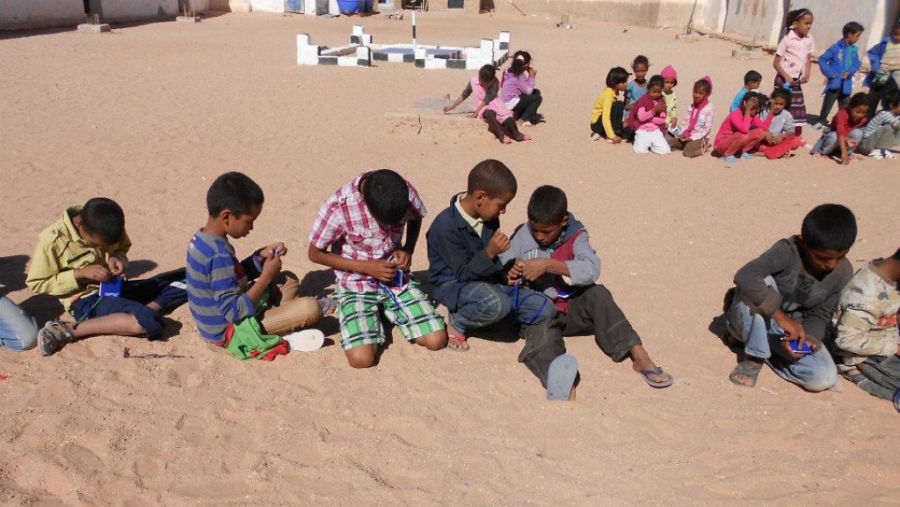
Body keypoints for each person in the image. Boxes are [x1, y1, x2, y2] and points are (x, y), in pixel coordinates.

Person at [499, 185, 674, 399]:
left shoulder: (576, 234)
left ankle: (638, 354)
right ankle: (560, 378)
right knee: (543, 337)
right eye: (535, 230)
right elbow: (503, 263)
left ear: (563, 222)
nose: (540, 236)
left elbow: (591, 269)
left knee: (598, 294)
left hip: (570, 307)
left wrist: (548, 264)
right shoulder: (523, 234)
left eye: (547, 232)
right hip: (539, 311)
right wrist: (511, 269)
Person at [309, 169, 447, 368]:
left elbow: (416, 216)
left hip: (395, 278)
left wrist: (407, 249)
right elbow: (315, 253)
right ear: (364, 202)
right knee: (362, 360)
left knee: (436, 340)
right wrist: (366, 267)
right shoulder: (339, 206)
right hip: (356, 282)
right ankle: (371, 314)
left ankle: (383, 312)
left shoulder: (402, 191)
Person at [187, 172, 324, 361]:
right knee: (311, 308)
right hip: (231, 331)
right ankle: (281, 329)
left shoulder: (203, 238)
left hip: (226, 315)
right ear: (227, 216)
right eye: (249, 222)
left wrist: (259, 257)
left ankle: (283, 318)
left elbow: (229, 277)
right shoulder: (218, 253)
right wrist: (266, 276)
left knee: (288, 279)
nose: (250, 228)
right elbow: (232, 312)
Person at [26, 198, 187, 356]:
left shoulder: (109, 221)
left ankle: (138, 311)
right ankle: (68, 329)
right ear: (79, 225)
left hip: (114, 287)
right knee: (148, 322)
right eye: (97, 245)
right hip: (86, 300)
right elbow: (37, 283)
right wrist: (80, 273)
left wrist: (117, 258)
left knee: (187, 278)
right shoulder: (54, 240)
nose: (102, 248)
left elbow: (122, 247)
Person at [426, 160, 556, 353]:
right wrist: (490, 253)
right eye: (501, 205)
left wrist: (506, 273)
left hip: (486, 283)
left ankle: (496, 317)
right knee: (497, 303)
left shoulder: (489, 218)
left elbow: (489, 265)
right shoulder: (446, 226)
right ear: (481, 197)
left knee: (545, 308)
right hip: (454, 285)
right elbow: (463, 273)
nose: (503, 211)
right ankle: (458, 322)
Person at [725, 203, 856, 392]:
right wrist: (781, 317)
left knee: (824, 378)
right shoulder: (787, 250)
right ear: (803, 242)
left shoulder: (843, 272)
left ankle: (761, 347)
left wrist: (808, 340)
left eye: (840, 256)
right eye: (823, 258)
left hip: (786, 331)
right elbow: (745, 275)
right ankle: (754, 357)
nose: (831, 265)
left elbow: (821, 314)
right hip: (753, 317)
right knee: (763, 281)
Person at [831, 247, 900, 401]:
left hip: (888, 334)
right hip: (864, 354)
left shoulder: (890, 273)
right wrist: (895, 348)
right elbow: (847, 340)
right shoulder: (865, 296)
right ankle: (854, 372)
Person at [444, 64, 530, 144]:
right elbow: (464, 94)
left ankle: (517, 135)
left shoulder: (495, 82)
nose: (483, 84)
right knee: (489, 114)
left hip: (495, 104)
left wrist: (475, 113)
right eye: (482, 81)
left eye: (485, 83)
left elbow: (488, 99)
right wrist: (451, 107)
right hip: (481, 107)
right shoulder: (473, 81)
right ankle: (501, 135)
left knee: (508, 119)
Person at [812, 22, 864, 129]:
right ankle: (822, 120)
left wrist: (850, 72)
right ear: (849, 34)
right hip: (835, 82)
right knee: (828, 103)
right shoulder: (835, 48)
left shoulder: (854, 50)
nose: (858, 38)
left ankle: (840, 123)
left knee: (845, 105)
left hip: (846, 84)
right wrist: (831, 74)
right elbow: (822, 59)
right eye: (857, 35)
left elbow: (856, 63)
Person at [773, 8, 816, 136]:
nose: (808, 26)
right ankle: (776, 133)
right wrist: (786, 77)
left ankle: (794, 137)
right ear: (796, 24)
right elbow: (776, 63)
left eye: (810, 24)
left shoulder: (809, 39)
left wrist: (807, 73)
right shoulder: (787, 40)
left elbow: (808, 59)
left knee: (798, 109)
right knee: (781, 107)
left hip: (797, 80)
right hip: (784, 80)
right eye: (806, 23)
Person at [810, 92, 870, 165]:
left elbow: (851, 133)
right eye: (857, 112)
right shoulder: (842, 114)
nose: (860, 115)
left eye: (863, 113)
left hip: (843, 141)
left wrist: (848, 144)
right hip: (831, 138)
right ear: (850, 107)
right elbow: (840, 133)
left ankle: (848, 153)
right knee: (834, 136)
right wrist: (844, 152)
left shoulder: (863, 119)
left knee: (858, 133)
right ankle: (823, 152)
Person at [667, 76, 715, 158]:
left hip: (700, 137)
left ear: (706, 95)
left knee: (687, 152)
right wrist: (683, 133)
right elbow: (686, 122)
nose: (697, 95)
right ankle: (687, 144)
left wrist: (692, 138)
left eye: (700, 93)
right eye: (695, 92)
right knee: (668, 144)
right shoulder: (691, 107)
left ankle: (704, 147)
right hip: (688, 135)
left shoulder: (709, 108)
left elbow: (706, 129)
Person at [713, 91, 767, 162]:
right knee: (743, 135)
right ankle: (727, 155)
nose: (755, 111)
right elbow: (744, 130)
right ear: (745, 104)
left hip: (735, 142)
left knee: (761, 133)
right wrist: (748, 111)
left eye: (756, 109)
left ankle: (742, 151)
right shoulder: (735, 114)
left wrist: (769, 135)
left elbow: (763, 127)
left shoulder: (751, 115)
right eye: (753, 108)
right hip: (721, 145)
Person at [626, 75, 670, 155]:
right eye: (654, 92)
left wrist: (652, 119)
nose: (656, 94)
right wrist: (654, 111)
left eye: (659, 92)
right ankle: (646, 143)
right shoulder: (643, 100)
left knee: (665, 151)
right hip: (643, 128)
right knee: (640, 151)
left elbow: (662, 119)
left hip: (656, 129)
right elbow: (641, 117)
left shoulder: (661, 101)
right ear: (648, 89)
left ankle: (652, 145)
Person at [757, 88, 805, 159]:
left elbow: (791, 131)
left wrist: (782, 136)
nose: (778, 107)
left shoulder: (786, 115)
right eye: (776, 103)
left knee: (797, 140)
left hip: (776, 141)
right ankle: (774, 152)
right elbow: (756, 127)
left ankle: (768, 151)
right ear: (771, 101)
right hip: (763, 140)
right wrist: (765, 134)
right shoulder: (764, 112)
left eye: (781, 104)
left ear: (785, 104)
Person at [865, 23, 900, 119]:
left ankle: (886, 117)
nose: (897, 37)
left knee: (894, 95)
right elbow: (873, 53)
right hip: (883, 71)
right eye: (896, 34)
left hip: (897, 73)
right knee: (875, 93)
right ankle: (868, 116)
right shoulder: (886, 43)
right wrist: (876, 67)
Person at [501, 51, 544, 126]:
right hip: (510, 102)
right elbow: (528, 92)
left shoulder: (508, 70)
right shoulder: (518, 75)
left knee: (536, 92)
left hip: (507, 99)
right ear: (526, 64)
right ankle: (523, 120)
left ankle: (525, 115)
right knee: (537, 98)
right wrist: (531, 77)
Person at [590, 66, 631, 143]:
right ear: (615, 83)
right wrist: (612, 136)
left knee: (619, 104)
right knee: (617, 105)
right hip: (597, 124)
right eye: (623, 82)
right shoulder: (609, 95)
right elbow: (605, 117)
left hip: (601, 122)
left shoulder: (614, 91)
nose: (626, 84)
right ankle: (610, 134)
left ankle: (610, 131)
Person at [858, 89, 900, 159]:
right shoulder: (884, 114)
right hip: (866, 145)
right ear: (892, 105)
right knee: (889, 127)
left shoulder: (896, 115)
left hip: (874, 143)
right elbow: (898, 125)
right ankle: (879, 150)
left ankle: (882, 150)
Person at [661, 65, 678, 129]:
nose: (669, 85)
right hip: (661, 122)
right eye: (667, 82)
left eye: (671, 83)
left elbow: (674, 108)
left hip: (670, 122)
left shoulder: (672, 94)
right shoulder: (659, 93)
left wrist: (674, 117)